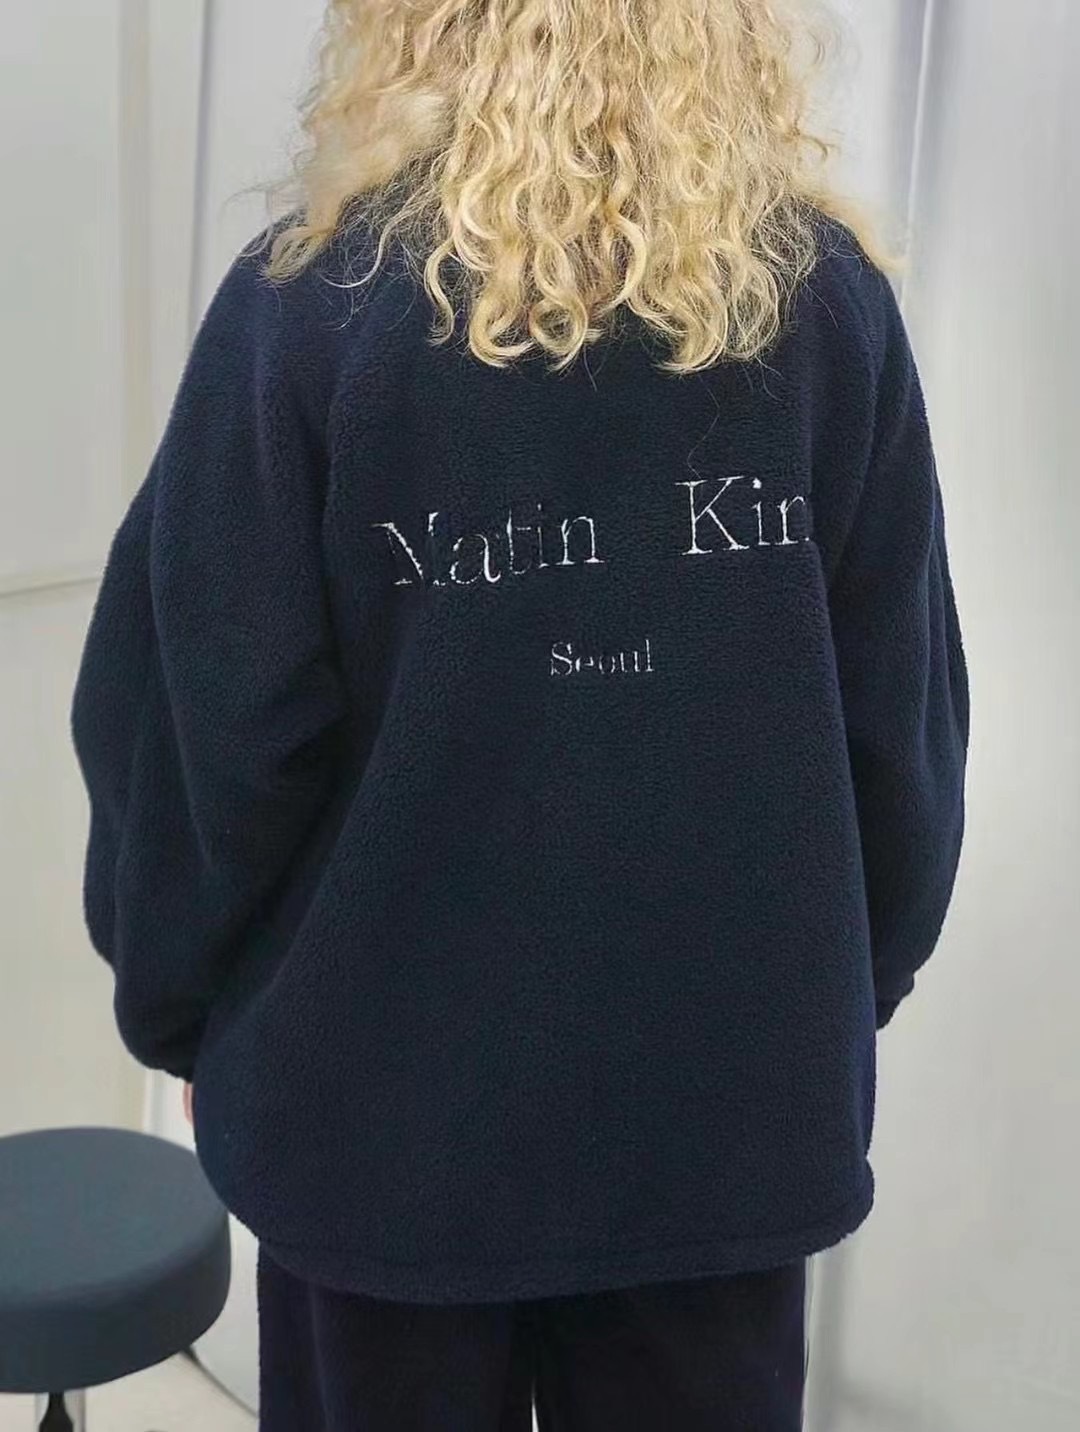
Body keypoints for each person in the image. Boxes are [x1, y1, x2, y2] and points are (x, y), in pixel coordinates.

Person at [70, 0, 969, 1426]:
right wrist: (835, 1002)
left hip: (380, 1120)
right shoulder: (826, 307)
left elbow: (198, 731)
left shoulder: (313, 307)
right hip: (718, 1113)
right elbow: (903, 728)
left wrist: (186, 1006)